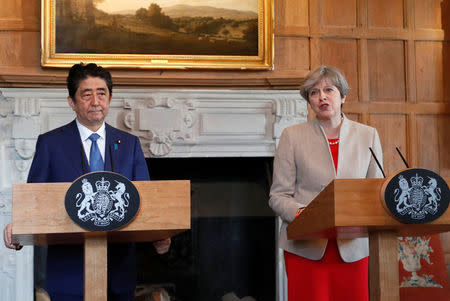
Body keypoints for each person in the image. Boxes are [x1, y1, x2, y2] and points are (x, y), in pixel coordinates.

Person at [3, 63, 171, 301]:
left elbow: (146, 204)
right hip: (67, 273)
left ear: (110, 98)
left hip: (119, 272)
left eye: (101, 93)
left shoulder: (130, 145)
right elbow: (33, 201)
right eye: (86, 94)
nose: (95, 101)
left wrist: (160, 236)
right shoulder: (51, 144)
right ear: (72, 102)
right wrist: (18, 228)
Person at [269, 65, 383, 301]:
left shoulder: (368, 135)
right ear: (309, 101)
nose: (321, 96)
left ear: (343, 97)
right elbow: (278, 197)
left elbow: (377, 192)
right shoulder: (292, 136)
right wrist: (304, 214)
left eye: (329, 90)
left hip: (353, 248)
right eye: (313, 92)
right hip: (306, 247)